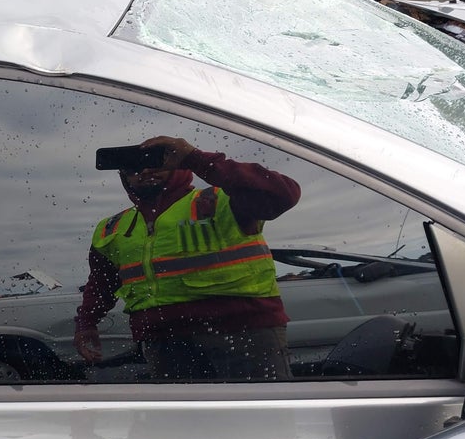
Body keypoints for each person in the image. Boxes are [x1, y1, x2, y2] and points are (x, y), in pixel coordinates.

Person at [74, 135, 301, 381]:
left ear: (177, 164)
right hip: (162, 340)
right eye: (133, 167)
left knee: (262, 407)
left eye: (154, 161)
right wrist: (86, 323)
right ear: (124, 177)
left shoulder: (222, 201)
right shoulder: (111, 229)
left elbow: (283, 193)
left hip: (244, 331)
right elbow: (101, 283)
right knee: (180, 409)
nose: (145, 170)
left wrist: (195, 158)